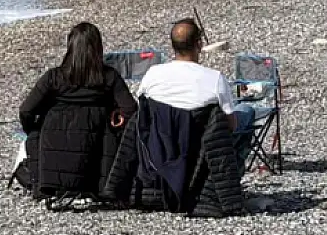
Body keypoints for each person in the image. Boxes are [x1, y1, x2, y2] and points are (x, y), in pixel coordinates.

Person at [103, 18, 247, 217]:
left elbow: (143, 115)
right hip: (198, 151)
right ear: (199, 44)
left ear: (172, 46)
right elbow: (230, 125)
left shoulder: (153, 74)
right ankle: (229, 179)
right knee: (246, 114)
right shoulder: (214, 79)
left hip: (159, 147)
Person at [17, 22, 136, 206]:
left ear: (70, 48)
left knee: (35, 135)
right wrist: (115, 118)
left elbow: (26, 110)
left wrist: (34, 129)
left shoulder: (54, 77)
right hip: (96, 151)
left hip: (54, 146)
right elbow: (130, 110)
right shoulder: (108, 77)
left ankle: (44, 184)